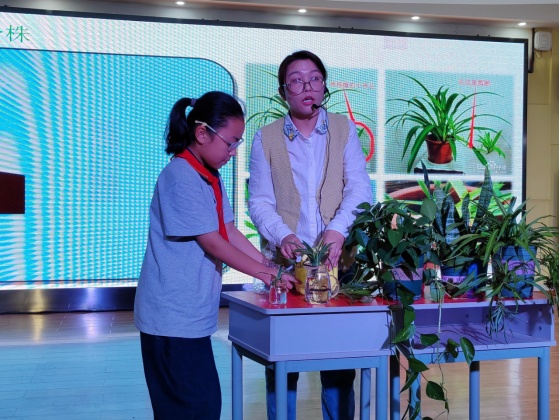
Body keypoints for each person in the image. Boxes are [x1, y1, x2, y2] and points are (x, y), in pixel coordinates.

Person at [134, 91, 294, 419]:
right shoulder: (181, 177)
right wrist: (269, 275)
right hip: (171, 318)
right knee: (194, 408)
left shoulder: (208, 175)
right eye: (230, 143)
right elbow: (213, 243)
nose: (233, 152)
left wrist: (268, 265)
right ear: (202, 133)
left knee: (201, 405)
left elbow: (229, 231)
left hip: (188, 315)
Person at [248, 51, 373, 419]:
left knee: (338, 364)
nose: (307, 87)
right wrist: (282, 236)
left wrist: (337, 230)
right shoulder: (266, 137)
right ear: (283, 91)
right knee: (282, 364)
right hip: (286, 269)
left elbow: (360, 189)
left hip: (339, 265)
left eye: (315, 78)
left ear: (324, 85)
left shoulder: (344, 129)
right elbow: (259, 201)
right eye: (297, 80)